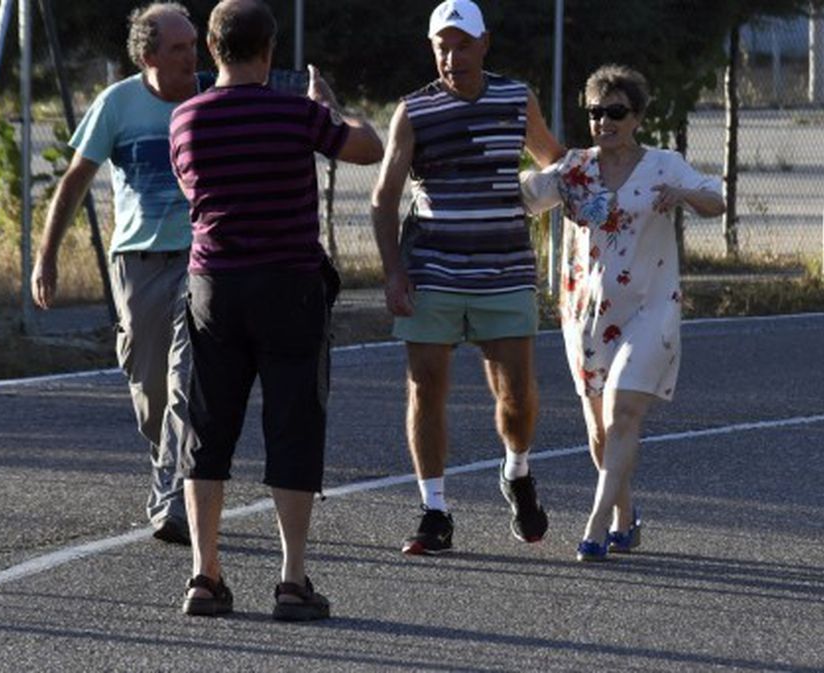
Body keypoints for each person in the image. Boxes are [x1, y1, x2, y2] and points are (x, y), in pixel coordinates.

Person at [170, 0, 383, 621]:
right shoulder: (298, 114)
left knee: (207, 428)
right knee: (293, 424)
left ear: (213, 50)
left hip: (214, 286)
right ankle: (291, 579)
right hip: (289, 283)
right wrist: (328, 107)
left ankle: (204, 575)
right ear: (269, 51)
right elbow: (367, 147)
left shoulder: (185, 119)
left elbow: (193, 191)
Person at [370, 0, 565, 556]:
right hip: (433, 269)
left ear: (485, 44)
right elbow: (384, 199)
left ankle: (517, 471)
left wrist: (607, 173)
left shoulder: (515, 98)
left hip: (504, 270)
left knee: (516, 397)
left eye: (461, 45)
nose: (451, 57)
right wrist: (393, 273)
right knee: (425, 386)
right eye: (441, 46)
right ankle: (434, 510)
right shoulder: (414, 110)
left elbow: (553, 158)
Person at [520, 65, 725, 562]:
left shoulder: (663, 165)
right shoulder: (574, 169)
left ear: (637, 117)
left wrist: (686, 197)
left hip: (650, 311)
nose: (604, 121)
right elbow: (525, 197)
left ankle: (593, 530)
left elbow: (715, 200)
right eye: (596, 112)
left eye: (616, 112)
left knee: (623, 414)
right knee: (599, 430)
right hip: (586, 316)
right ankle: (624, 517)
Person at [32, 3, 212, 546]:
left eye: (194, 45)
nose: (192, 56)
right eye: (179, 48)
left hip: (201, 258)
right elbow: (75, 180)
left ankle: (172, 498)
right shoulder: (118, 104)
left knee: (188, 380)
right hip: (137, 260)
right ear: (147, 55)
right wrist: (47, 256)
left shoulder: (210, 97)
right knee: (151, 385)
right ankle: (168, 466)